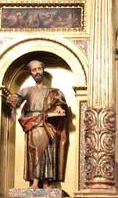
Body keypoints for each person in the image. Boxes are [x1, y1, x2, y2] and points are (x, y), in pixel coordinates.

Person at [6, 60, 70, 189]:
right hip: (33, 122)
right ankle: (35, 182)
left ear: (43, 70)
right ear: (31, 73)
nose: (37, 72)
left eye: (39, 69)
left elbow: (59, 104)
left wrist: (58, 108)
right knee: (34, 151)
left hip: (48, 123)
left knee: (48, 151)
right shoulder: (27, 90)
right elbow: (16, 101)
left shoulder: (53, 91)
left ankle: (46, 183)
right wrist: (12, 99)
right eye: (34, 70)